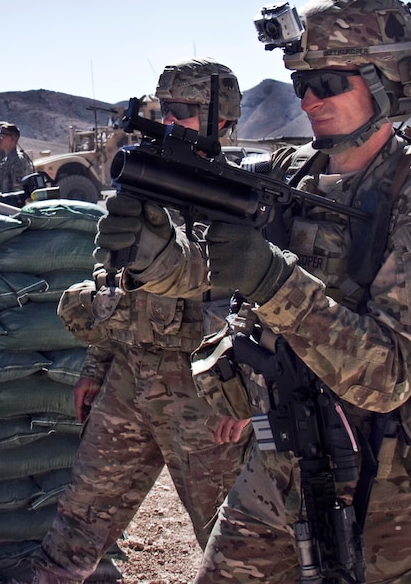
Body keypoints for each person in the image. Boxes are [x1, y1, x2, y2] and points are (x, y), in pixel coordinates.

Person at [95, 0, 411, 582]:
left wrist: (272, 279)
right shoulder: (291, 171)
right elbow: (210, 268)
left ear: (386, 82)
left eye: (328, 84)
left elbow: (390, 375)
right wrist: (154, 255)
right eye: (301, 86)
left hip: (388, 479)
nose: (309, 100)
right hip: (280, 457)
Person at [13, 59, 250, 584]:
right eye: (165, 109)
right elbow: (113, 283)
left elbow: (261, 304)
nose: (169, 121)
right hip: (130, 376)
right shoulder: (144, 184)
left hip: (204, 391)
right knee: (80, 518)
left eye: (184, 111)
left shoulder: (247, 200)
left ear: (222, 121)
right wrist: (98, 364)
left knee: (231, 542)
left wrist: (244, 391)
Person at [0, 121, 35, 193]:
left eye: (2, 137)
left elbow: (19, 191)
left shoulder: (18, 161)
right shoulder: (3, 161)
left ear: (13, 138)